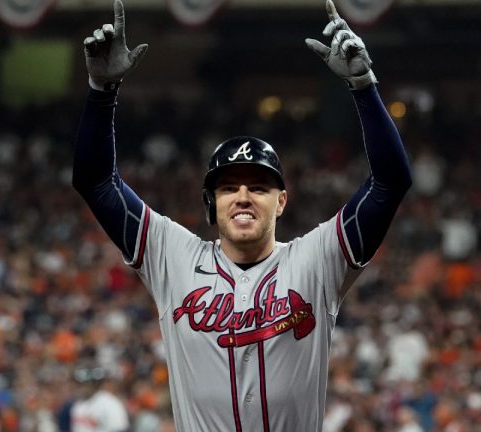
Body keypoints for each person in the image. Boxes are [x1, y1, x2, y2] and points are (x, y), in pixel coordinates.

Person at [72, 0, 412, 430]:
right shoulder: (171, 255)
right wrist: (102, 93)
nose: (244, 196)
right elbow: (95, 180)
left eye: (259, 186)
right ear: (210, 204)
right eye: (229, 187)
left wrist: (364, 86)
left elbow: (390, 182)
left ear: (282, 201)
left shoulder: (317, 259)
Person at [69, 366, 129, 432]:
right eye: (79, 384)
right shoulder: (78, 404)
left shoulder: (110, 403)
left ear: (95, 384)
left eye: (84, 384)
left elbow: (120, 429)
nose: (80, 387)